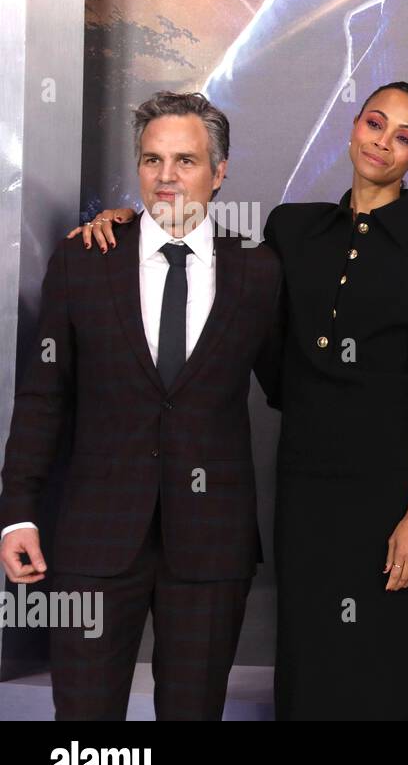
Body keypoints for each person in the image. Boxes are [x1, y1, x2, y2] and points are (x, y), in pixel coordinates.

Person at [72, 82, 408, 720]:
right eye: (375, 123)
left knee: (379, 658)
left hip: (392, 496)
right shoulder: (291, 229)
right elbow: (209, 257)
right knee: (307, 657)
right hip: (304, 488)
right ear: (353, 126)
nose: (383, 141)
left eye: (404, 137)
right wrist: (130, 221)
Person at [0, 91, 282, 720]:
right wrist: (17, 512)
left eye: (185, 160)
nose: (166, 177)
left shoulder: (260, 270)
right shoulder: (84, 259)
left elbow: (294, 385)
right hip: (93, 539)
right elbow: (44, 395)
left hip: (212, 544)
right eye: (152, 160)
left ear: (220, 170)